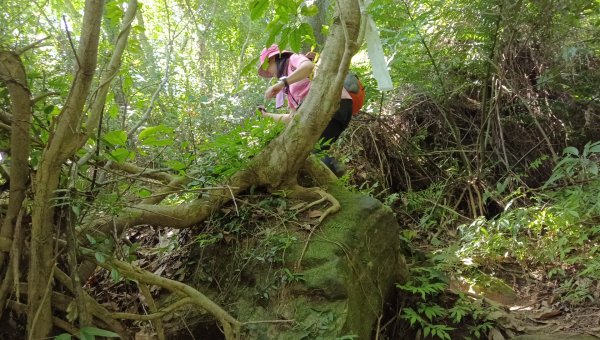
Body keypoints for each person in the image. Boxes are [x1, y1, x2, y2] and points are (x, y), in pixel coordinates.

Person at [257, 44, 352, 176]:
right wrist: (265, 115)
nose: (271, 73)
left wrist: (281, 83)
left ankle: (331, 179)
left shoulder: (293, 59)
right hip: (328, 110)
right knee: (313, 150)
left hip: (334, 103)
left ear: (272, 59)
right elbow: (293, 118)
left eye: (268, 68)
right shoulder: (288, 88)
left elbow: (308, 67)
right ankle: (335, 175)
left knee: (308, 149)